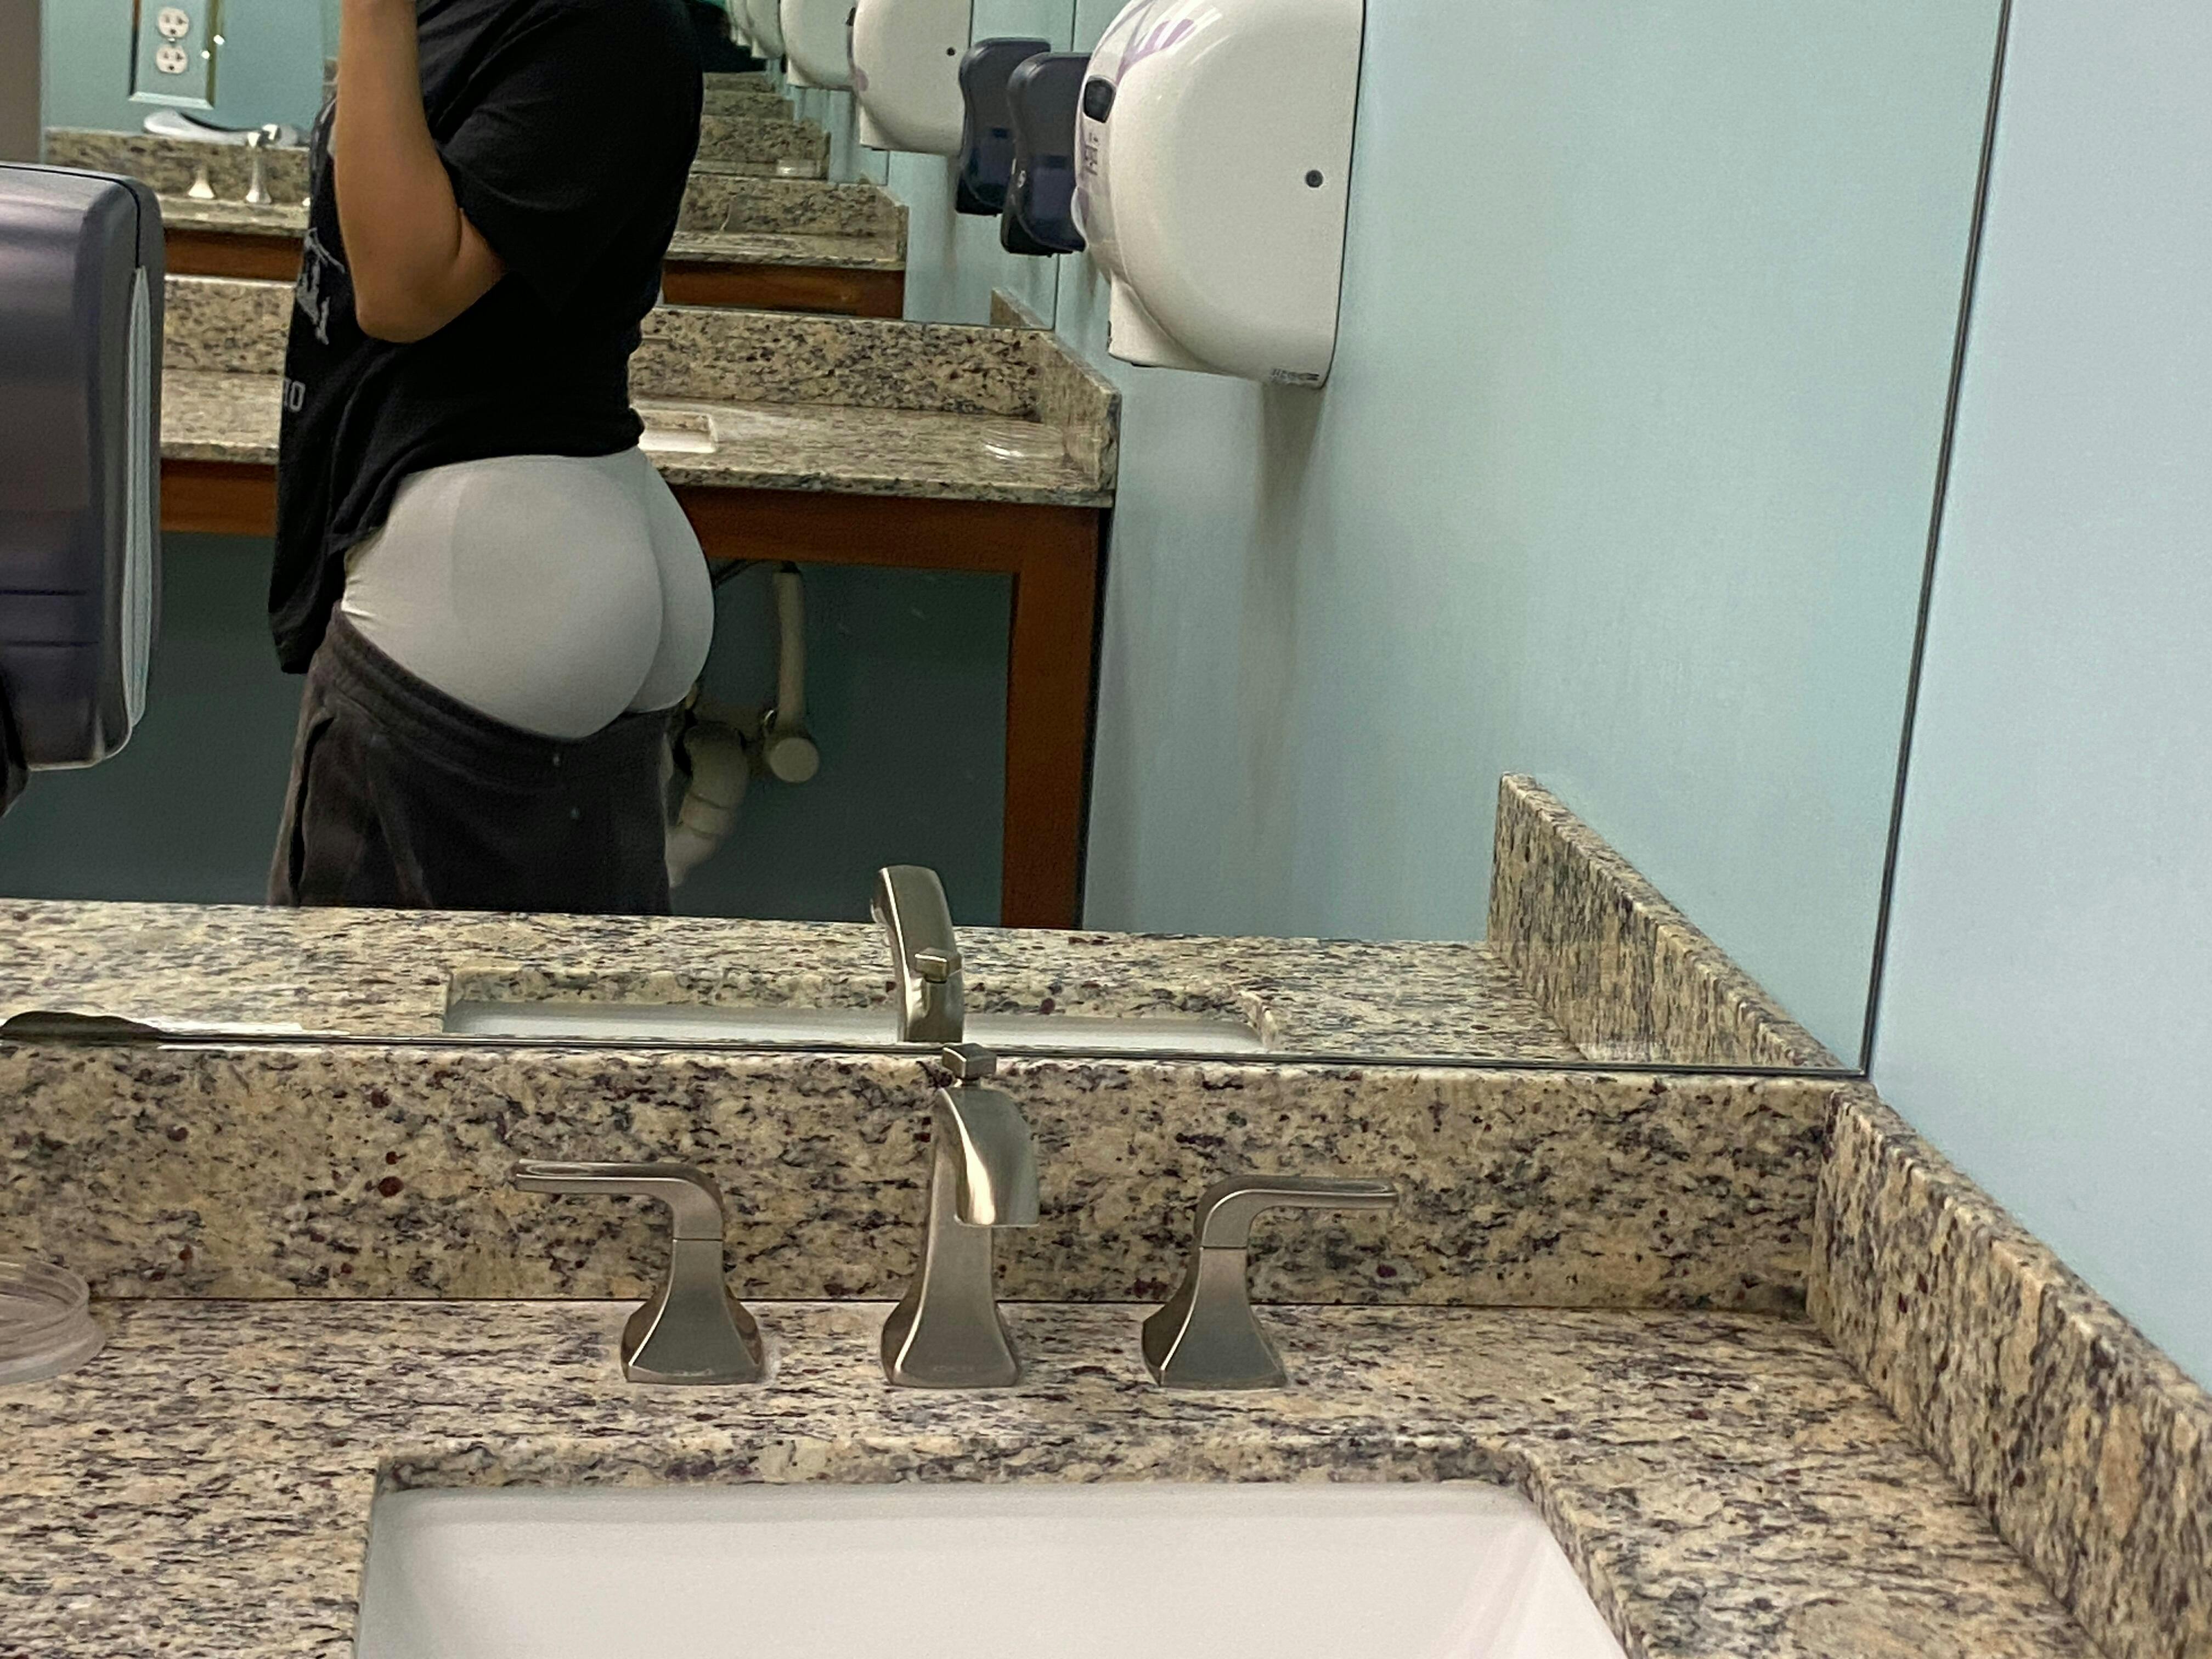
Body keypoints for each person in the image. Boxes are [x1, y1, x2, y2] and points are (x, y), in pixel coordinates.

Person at [268, 0, 708, 915]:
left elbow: (404, 289)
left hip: (490, 563)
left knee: (370, 1006)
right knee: (578, 1002)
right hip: (518, 555)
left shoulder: (600, 24)